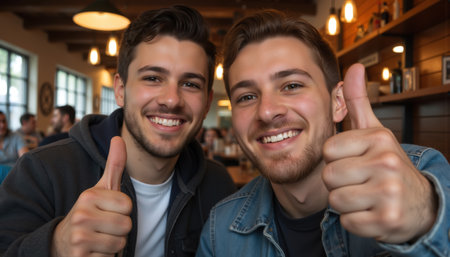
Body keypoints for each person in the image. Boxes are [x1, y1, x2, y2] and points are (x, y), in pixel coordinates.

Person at [196, 10, 450, 257]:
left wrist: (424, 216)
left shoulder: (422, 175)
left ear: (338, 102)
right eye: (247, 96)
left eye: (292, 85)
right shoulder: (221, 231)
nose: (267, 111)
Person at [0, 5, 236, 257]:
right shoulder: (42, 171)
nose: (171, 100)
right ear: (121, 89)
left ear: (208, 101)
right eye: (153, 78)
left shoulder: (218, 186)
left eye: (190, 84)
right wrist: (55, 246)